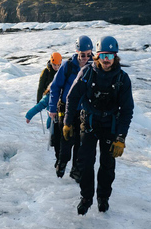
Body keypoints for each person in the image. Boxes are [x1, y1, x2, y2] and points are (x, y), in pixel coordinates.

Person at [64, 36, 134, 215]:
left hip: (110, 126)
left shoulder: (122, 79)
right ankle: (86, 197)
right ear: (98, 56)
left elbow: (127, 110)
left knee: (107, 164)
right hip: (89, 123)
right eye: (103, 55)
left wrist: (120, 137)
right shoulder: (87, 73)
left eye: (110, 56)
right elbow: (72, 97)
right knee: (85, 163)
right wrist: (67, 122)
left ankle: (103, 197)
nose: (106, 60)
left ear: (115, 57)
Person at [48, 36, 93, 180]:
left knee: (81, 144)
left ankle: (76, 171)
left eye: (88, 54)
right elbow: (55, 87)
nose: (85, 58)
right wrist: (52, 108)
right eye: (83, 54)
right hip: (67, 110)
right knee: (66, 141)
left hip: (84, 112)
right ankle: (61, 163)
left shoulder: (93, 68)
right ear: (77, 52)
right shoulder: (67, 67)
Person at [25, 85, 61, 162]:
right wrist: (29, 115)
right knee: (56, 139)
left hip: (64, 122)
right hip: (53, 123)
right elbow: (39, 106)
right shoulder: (49, 97)